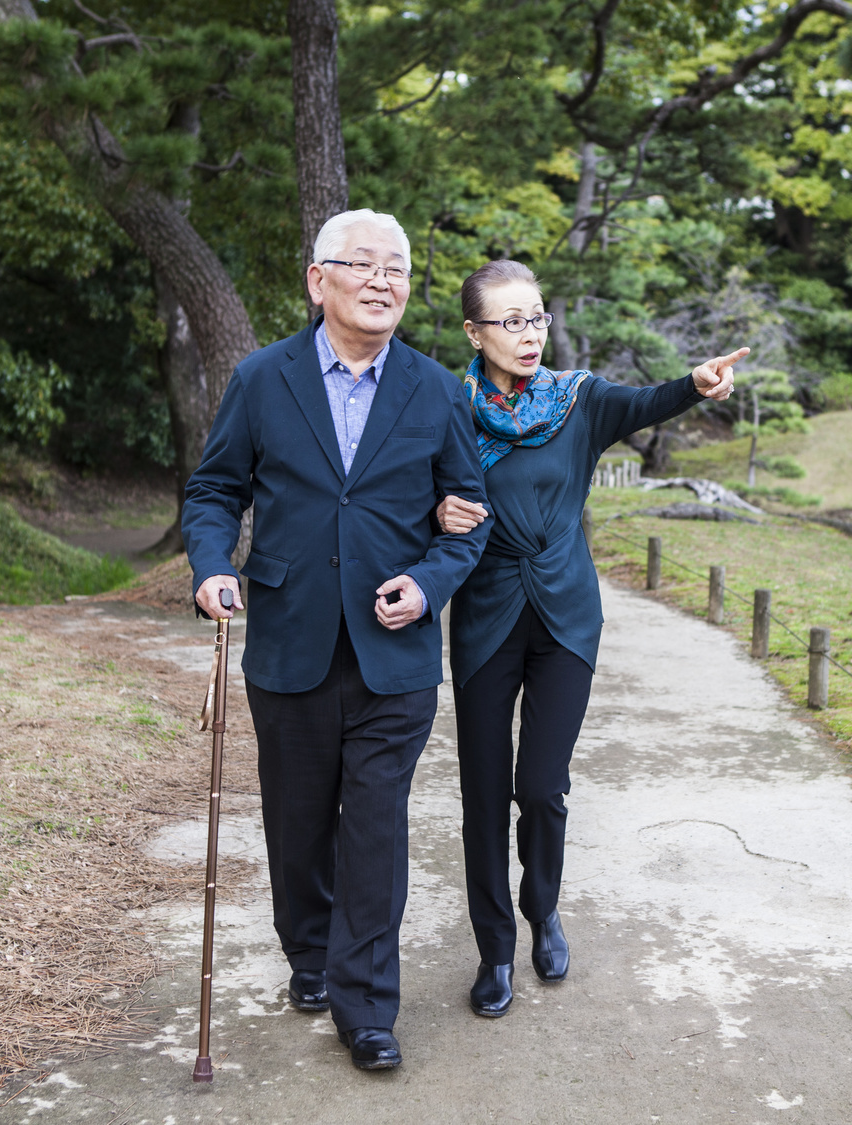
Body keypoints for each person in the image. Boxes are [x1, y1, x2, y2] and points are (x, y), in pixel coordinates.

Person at [182, 209, 490, 1070]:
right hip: (290, 641)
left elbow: (468, 520)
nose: (385, 280)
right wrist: (212, 565)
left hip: (394, 654)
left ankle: (367, 1006)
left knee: (376, 829)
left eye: (398, 268)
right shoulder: (261, 377)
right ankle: (309, 954)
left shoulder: (436, 390)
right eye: (364, 264)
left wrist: (427, 584)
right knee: (298, 821)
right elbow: (214, 491)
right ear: (319, 280)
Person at [434, 260, 742, 1018]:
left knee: (540, 785)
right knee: (482, 792)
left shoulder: (578, 400)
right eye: (509, 321)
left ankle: (544, 907)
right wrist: (435, 515)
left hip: (567, 614)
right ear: (474, 332)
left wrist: (695, 383)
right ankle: (494, 948)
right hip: (483, 616)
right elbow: (413, 491)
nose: (529, 334)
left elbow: (647, 401)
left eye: (536, 317)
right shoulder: (445, 407)